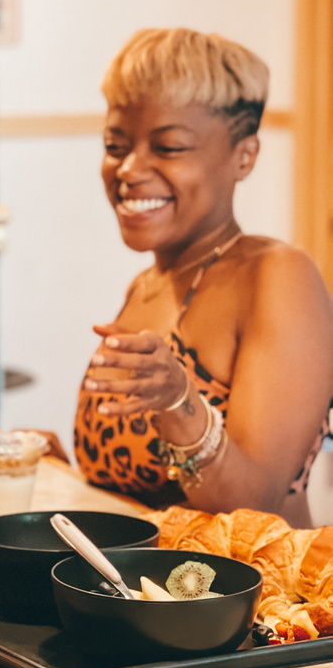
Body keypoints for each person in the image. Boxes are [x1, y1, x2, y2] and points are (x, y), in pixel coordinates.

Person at [73, 27, 333, 528]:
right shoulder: (145, 287)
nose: (129, 168)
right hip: (149, 594)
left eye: (168, 147)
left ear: (244, 157)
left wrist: (179, 401)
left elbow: (252, 506)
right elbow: (143, 500)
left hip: (254, 601)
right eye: (115, 144)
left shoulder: (279, 276)